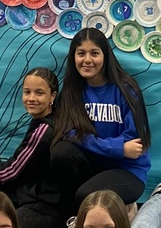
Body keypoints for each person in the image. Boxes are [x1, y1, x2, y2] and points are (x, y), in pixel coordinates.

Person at [50, 29, 151, 216]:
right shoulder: (71, 92)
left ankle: (115, 210)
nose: (87, 60)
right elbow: (70, 134)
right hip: (91, 168)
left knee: (86, 195)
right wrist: (118, 148)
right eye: (81, 53)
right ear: (74, 57)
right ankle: (71, 222)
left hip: (127, 170)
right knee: (61, 152)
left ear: (105, 56)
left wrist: (99, 145)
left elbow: (134, 143)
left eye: (94, 53)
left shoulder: (125, 89)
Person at [0, 67, 64, 228]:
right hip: (39, 204)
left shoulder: (44, 129)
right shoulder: (43, 122)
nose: (31, 98)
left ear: (52, 96)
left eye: (39, 93)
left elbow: (13, 171)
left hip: (43, 209)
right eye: (27, 92)